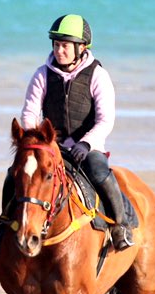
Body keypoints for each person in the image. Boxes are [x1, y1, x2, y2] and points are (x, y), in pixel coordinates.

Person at [18, 13, 135, 250]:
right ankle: (6, 225)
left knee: (99, 171)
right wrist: (35, 141)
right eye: (56, 45)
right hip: (52, 147)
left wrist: (87, 143)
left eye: (65, 46)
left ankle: (120, 225)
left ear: (81, 48)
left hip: (87, 148)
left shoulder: (98, 75)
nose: (59, 50)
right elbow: (29, 113)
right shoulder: (42, 74)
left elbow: (105, 120)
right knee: (19, 171)